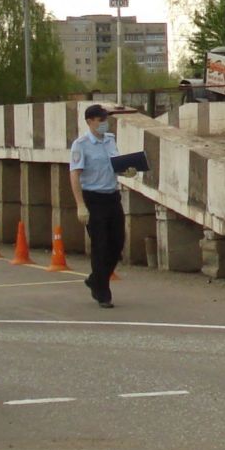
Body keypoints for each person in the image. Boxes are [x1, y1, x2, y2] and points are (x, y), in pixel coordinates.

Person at [69, 104, 124, 309]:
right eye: (100, 120)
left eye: (105, 120)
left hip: (112, 196)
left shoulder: (110, 140)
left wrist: (127, 171)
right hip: (93, 198)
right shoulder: (81, 145)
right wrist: (80, 205)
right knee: (100, 245)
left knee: (117, 243)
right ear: (90, 121)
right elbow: (75, 174)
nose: (104, 123)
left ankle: (95, 279)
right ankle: (102, 292)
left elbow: (116, 165)